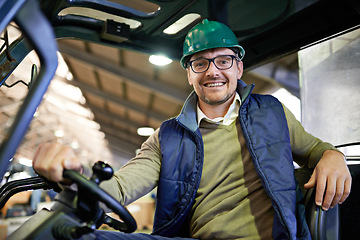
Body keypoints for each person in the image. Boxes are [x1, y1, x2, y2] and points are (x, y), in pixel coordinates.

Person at [33, 19, 351, 239]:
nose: (213, 71)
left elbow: (315, 150)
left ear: (238, 67)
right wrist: (71, 175)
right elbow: (118, 189)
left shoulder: (273, 112)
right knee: (73, 236)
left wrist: (332, 155)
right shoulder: (168, 137)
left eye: (223, 61)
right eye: (200, 63)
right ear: (189, 74)